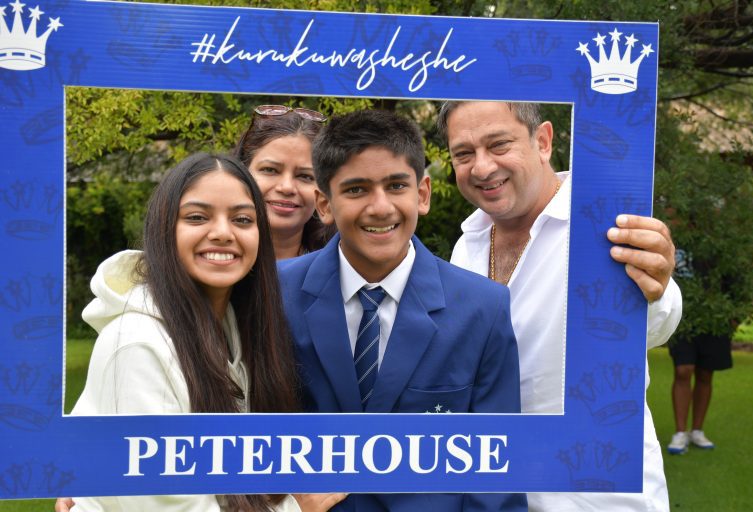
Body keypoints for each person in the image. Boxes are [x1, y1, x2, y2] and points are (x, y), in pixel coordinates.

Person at [65, 153, 346, 512]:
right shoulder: (138, 345)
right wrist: (295, 508)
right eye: (197, 217)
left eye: (242, 219)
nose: (223, 233)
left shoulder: (243, 330)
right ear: (164, 229)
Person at [278, 109, 527, 511]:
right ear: (323, 204)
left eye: (396, 186)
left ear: (422, 193)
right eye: (356, 189)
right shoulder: (276, 294)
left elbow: (496, 472)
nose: (380, 207)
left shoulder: (483, 308)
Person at [438, 101, 682, 511]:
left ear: (543, 141)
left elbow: (654, 324)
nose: (481, 167)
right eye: (464, 153)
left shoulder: (604, 223)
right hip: (498, 492)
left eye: (499, 145)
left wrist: (657, 287)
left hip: (598, 498)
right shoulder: (466, 246)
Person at [234, 104, 334, 260]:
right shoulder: (206, 266)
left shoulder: (342, 267)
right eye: (270, 170)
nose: (287, 187)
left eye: (305, 176)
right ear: (241, 172)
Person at [667, 332, 732, 454]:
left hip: (712, 328)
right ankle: (680, 433)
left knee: (705, 373)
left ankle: (697, 431)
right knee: (683, 370)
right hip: (684, 325)